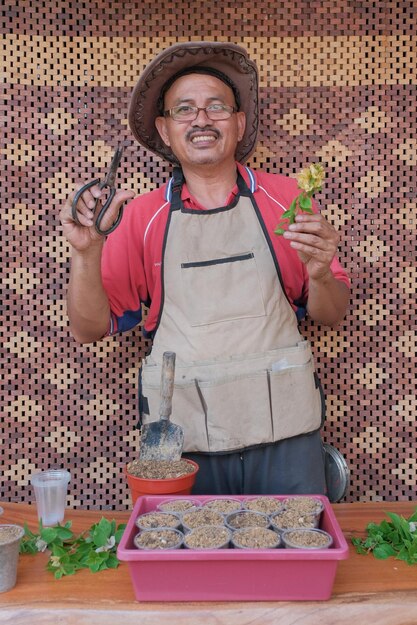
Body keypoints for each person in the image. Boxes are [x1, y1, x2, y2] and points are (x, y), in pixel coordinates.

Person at [61, 41, 350, 496]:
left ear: (238, 123)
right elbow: (88, 329)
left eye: (217, 107)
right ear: (165, 129)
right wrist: (85, 254)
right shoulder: (141, 215)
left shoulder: (287, 199)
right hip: (184, 444)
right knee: (192, 566)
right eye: (185, 110)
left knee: (294, 563)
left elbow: (331, 314)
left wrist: (319, 274)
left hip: (288, 436)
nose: (201, 119)